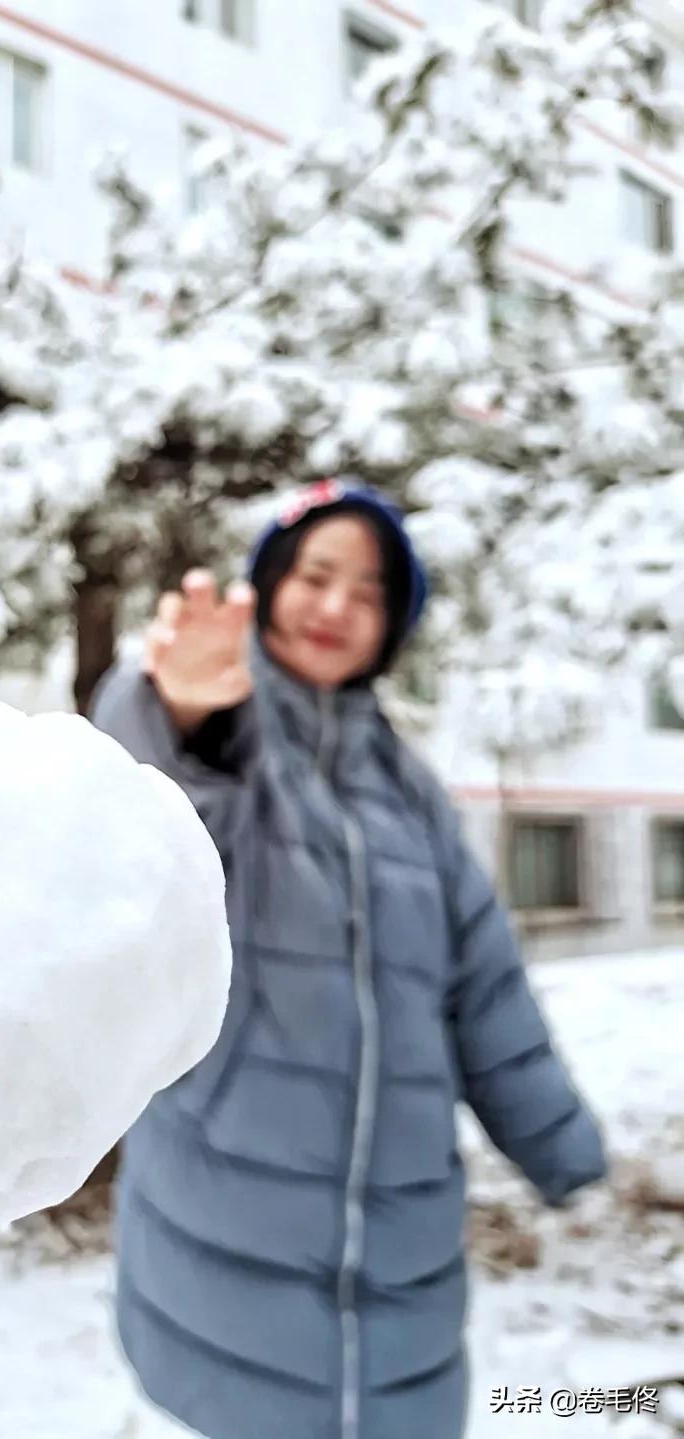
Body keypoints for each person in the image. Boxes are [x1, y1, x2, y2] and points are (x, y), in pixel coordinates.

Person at [89, 479, 607, 1439]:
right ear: (272, 584)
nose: (336, 607)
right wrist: (175, 708)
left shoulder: (409, 791)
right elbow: (140, 826)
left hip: (405, 1259)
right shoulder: (230, 734)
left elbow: (484, 989)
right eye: (317, 575)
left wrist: (562, 1148)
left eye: (369, 592)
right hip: (225, 1238)